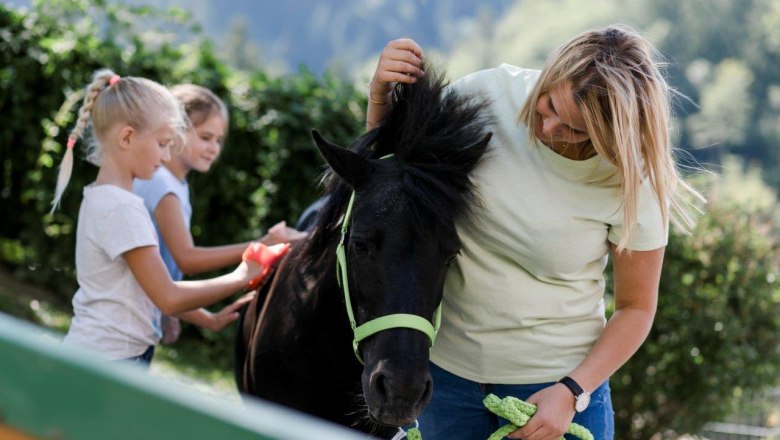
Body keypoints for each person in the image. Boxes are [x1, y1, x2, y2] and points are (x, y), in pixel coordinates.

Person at [366, 25, 703, 439]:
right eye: (548, 104)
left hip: (556, 396)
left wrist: (572, 392)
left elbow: (636, 308)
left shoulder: (633, 178)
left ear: (612, 132)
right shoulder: (486, 97)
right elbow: (388, 183)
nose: (548, 129)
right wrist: (380, 95)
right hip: (444, 387)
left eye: (576, 129)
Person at [52, 69, 287, 367]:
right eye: (162, 144)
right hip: (111, 361)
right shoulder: (122, 208)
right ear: (127, 137)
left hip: (103, 353)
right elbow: (168, 296)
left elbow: (142, 288)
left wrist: (209, 319)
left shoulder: (103, 197)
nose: (165, 156)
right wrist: (242, 276)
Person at [133, 84, 306, 345]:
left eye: (219, 140)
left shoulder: (173, 185)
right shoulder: (163, 186)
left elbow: (158, 278)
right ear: (175, 131)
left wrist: (208, 320)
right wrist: (260, 246)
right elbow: (186, 259)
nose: (214, 148)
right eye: (205, 137)